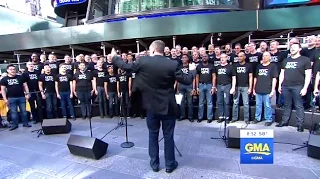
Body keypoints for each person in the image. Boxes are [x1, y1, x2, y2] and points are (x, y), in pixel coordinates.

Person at [111, 40, 195, 173]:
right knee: (168, 136)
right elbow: (187, 80)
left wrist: (115, 57)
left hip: (150, 106)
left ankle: (154, 164)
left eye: (150, 50)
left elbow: (126, 67)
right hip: (168, 106)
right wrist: (192, 70)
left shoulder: (143, 61)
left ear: (154, 49)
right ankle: (169, 164)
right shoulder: (172, 64)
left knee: (153, 135)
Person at [276, 42, 312, 132]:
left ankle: (300, 125)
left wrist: (305, 88)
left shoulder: (305, 60)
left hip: (298, 86)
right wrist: (280, 84)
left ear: (300, 49)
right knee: (287, 104)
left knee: (298, 105)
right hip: (285, 86)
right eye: (291, 47)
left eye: (295, 47)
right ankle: (284, 121)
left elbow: (308, 75)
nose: (292, 48)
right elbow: (282, 73)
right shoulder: (286, 60)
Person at [0, 64, 31, 131]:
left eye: (14, 69)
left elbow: (25, 86)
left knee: (24, 111)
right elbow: (2, 90)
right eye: (11, 69)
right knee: (13, 112)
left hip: (21, 97)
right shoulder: (4, 79)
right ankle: (15, 125)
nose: (13, 71)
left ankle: (25, 123)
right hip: (11, 98)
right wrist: (5, 99)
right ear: (7, 70)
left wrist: (27, 94)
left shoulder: (20, 77)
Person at [253, 52, 278, 126]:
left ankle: (268, 119)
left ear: (270, 57)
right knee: (258, 105)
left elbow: (274, 78)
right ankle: (257, 118)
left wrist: (273, 90)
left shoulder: (273, 66)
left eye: (266, 55)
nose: (264, 57)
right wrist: (254, 88)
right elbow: (255, 78)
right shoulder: (258, 66)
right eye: (263, 56)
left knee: (267, 105)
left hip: (267, 89)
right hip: (258, 88)